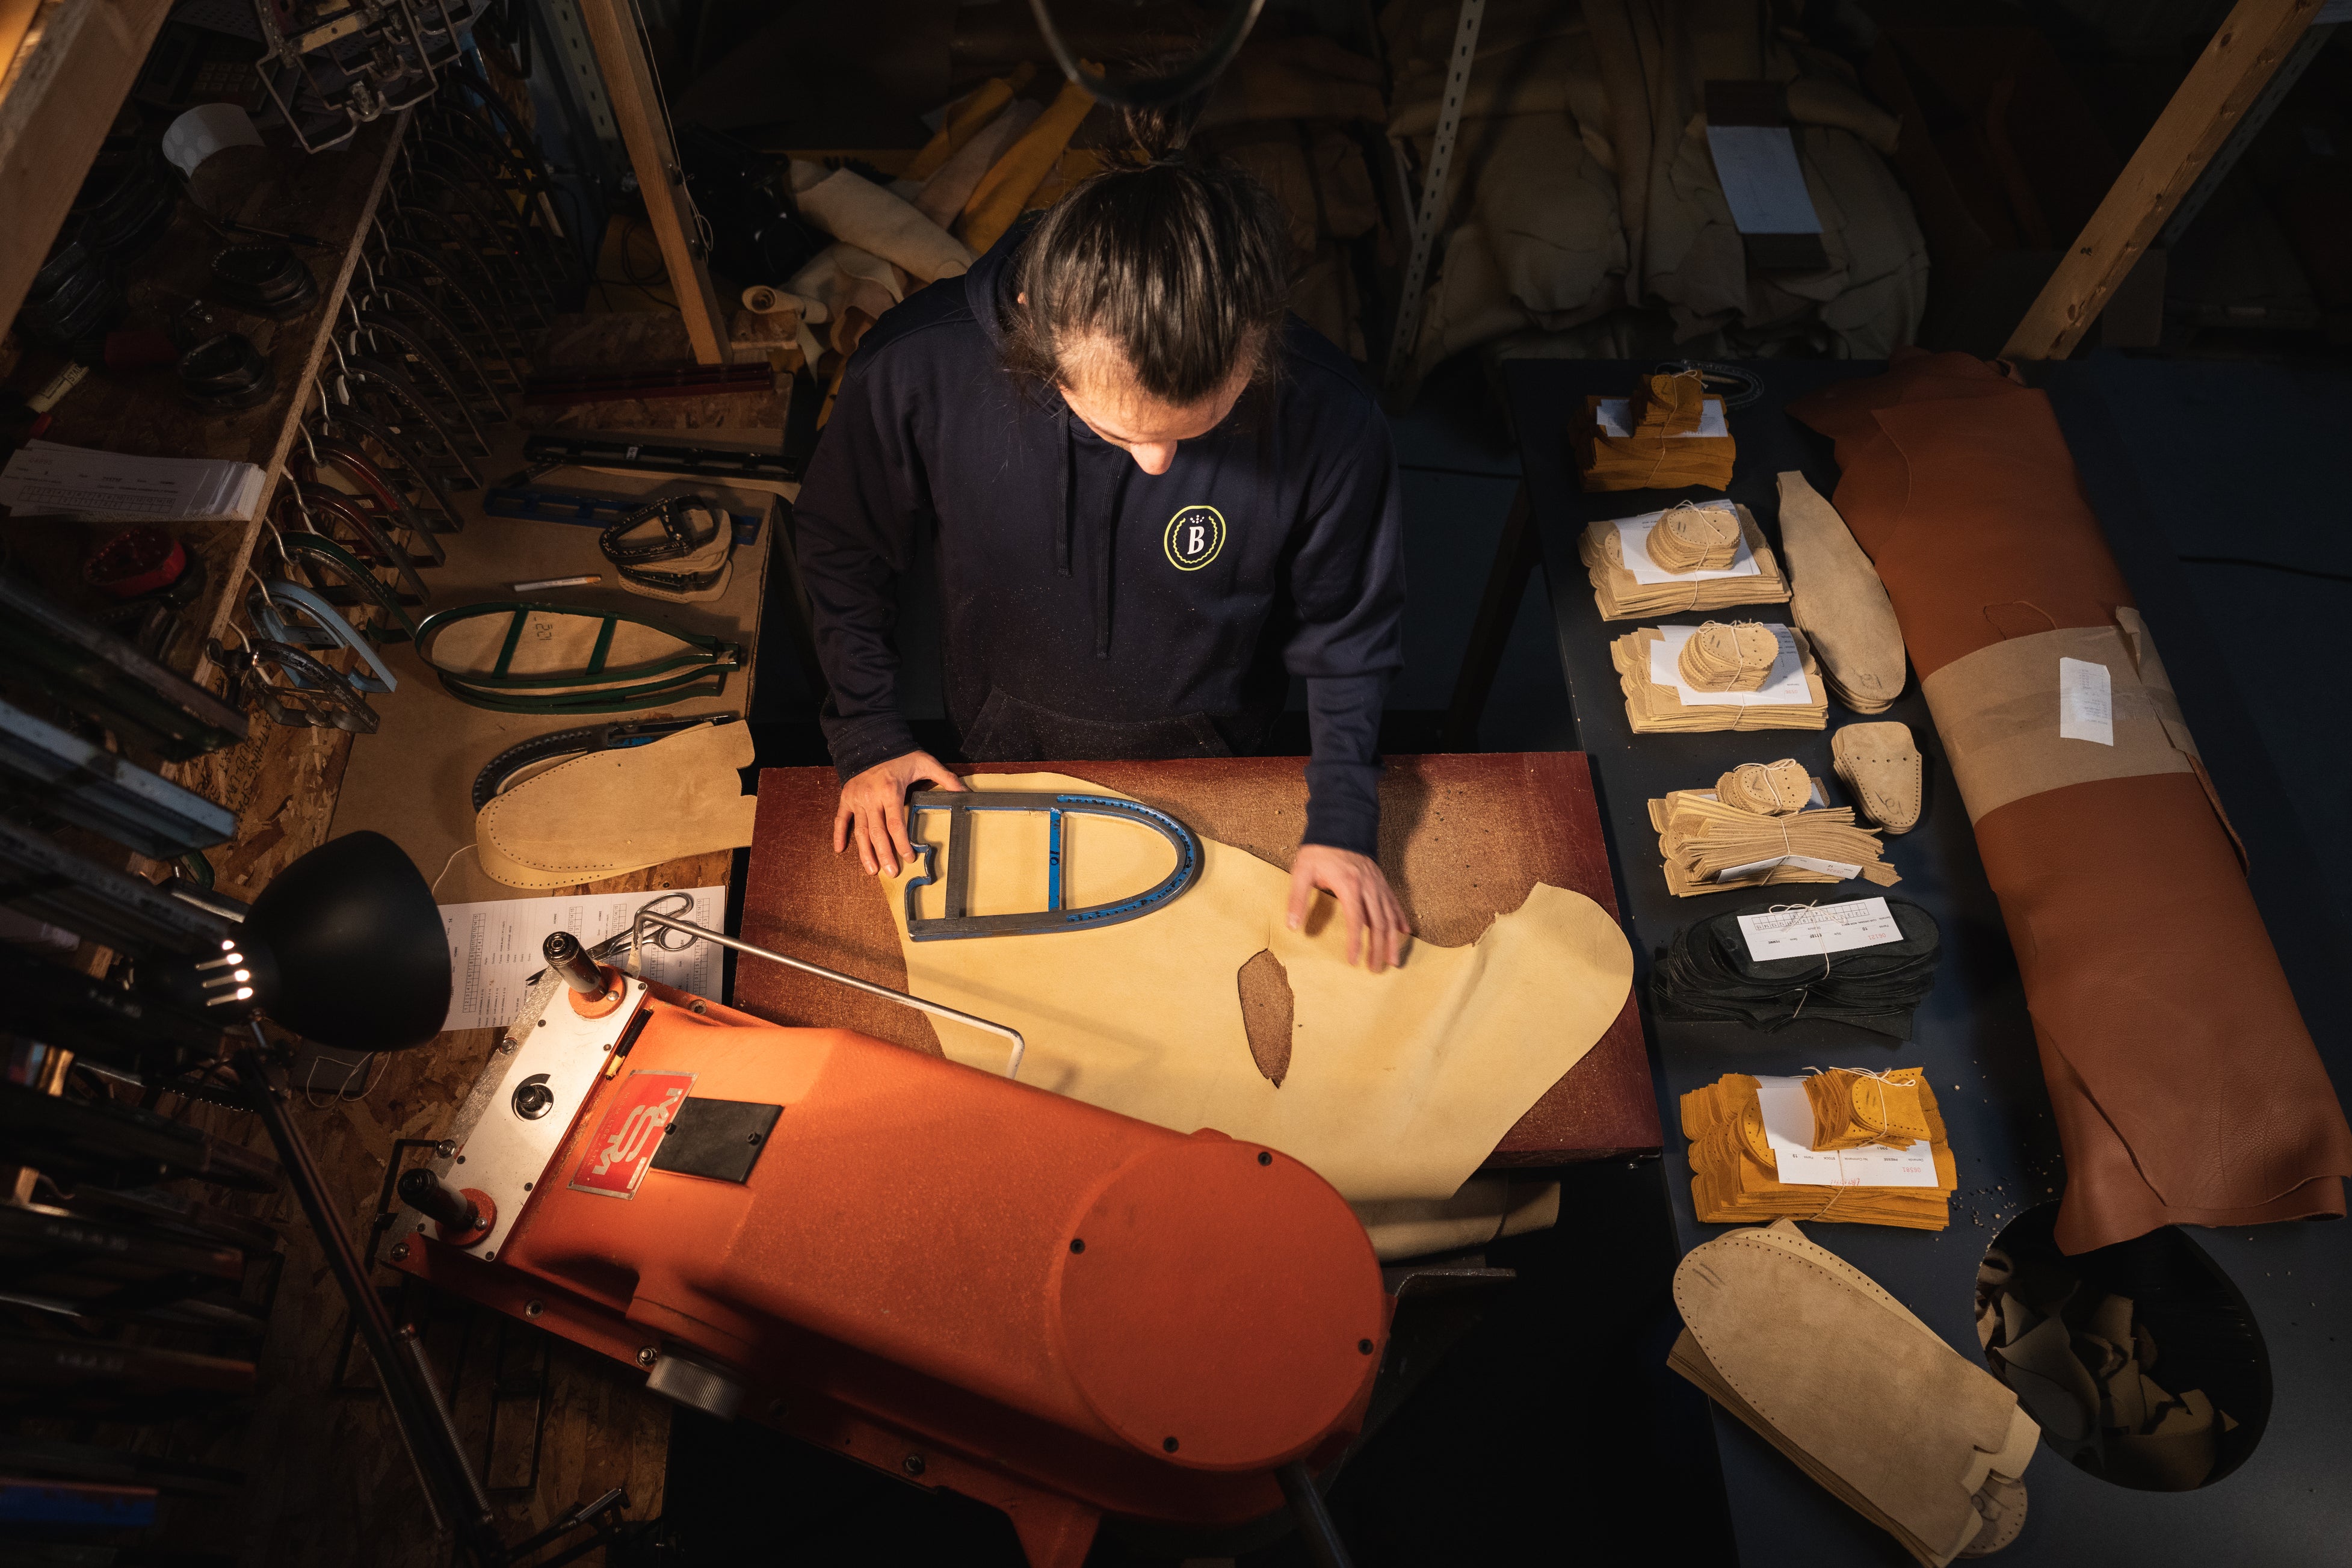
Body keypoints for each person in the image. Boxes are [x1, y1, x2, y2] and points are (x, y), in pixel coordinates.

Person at [792, 113, 1410, 970]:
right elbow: (839, 546)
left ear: (1257, 343)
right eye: (1121, 434)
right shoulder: (918, 368)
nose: (1157, 465)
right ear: (1036, 342)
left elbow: (1350, 629)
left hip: (1221, 757)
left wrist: (1342, 817)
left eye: (1199, 427)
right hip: (998, 752)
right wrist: (867, 729)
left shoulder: (1331, 417)